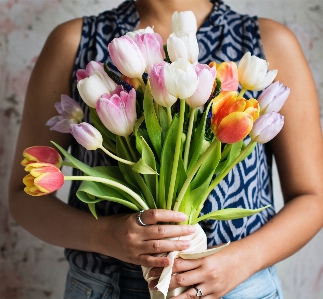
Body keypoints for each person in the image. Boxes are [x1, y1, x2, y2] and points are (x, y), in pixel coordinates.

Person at [8, 0, 323, 298]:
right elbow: (24, 199)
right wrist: (108, 236)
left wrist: (240, 261)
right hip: (106, 286)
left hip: (239, 285)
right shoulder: (75, 41)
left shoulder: (267, 42)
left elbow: (314, 198)